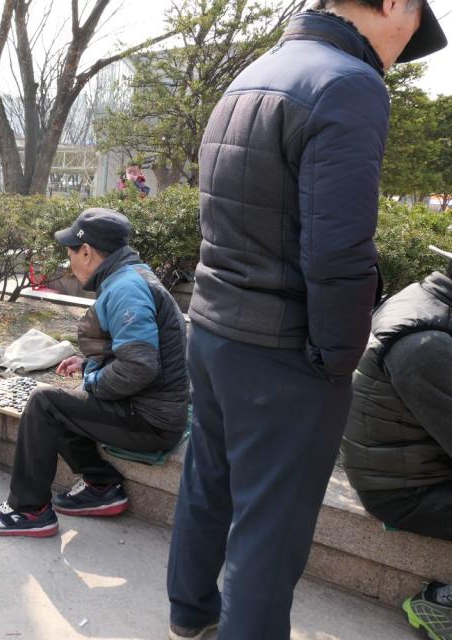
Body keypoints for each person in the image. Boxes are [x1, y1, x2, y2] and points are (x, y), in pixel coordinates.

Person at [165, 2, 447, 639]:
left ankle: (189, 613)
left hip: (212, 326)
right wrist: (337, 358)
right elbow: (341, 249)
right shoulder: (350, 83)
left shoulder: (255, 71)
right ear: (395, 5)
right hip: (281, 345)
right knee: (273, 525)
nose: (404, 47)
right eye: (414, 26)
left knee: (208, 480)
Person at [0, 209, 189, 537]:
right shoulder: (130, 274)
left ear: (87, 251)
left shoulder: (125, 288)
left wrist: (93, 380)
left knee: (44, 403)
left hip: (150, 421)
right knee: (62, 405)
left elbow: (139, 366)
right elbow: (134, 347)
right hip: (151, 409)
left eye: (70, 253)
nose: (69, 263)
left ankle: (29, 511)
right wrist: (86, 361)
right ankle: (102, 486)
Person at [341, 245, 452, 640]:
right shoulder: (427, 346)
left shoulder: (428, 297)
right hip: (403, 489)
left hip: (412, 460)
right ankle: (442, 605)